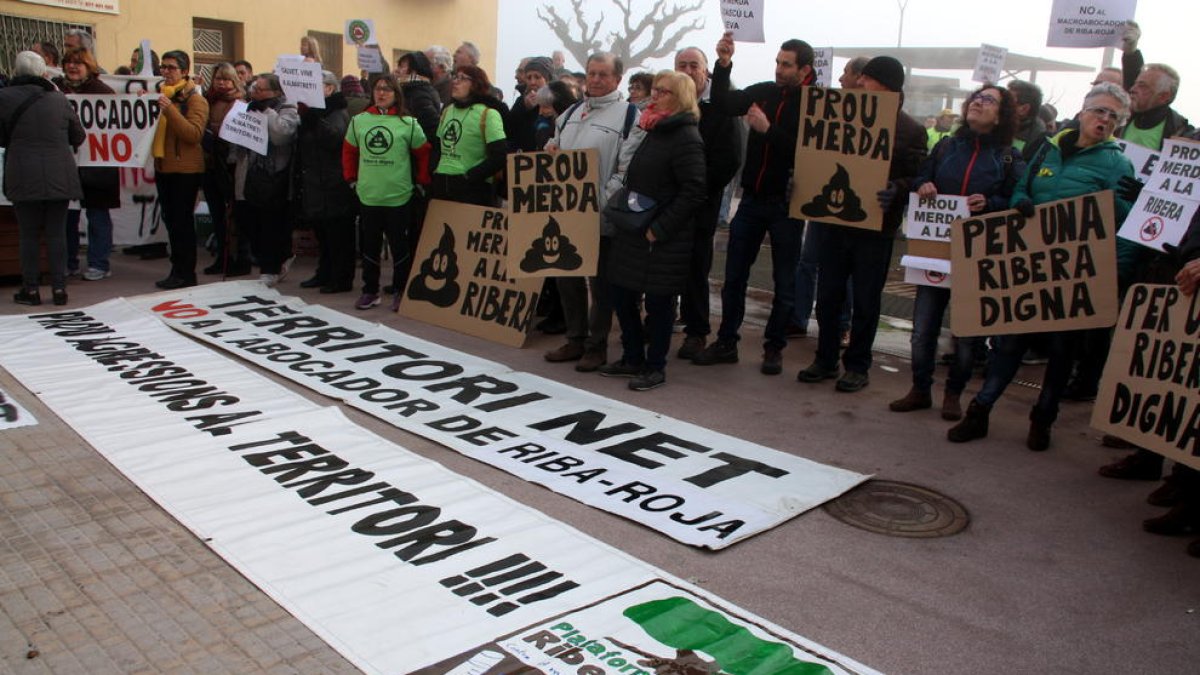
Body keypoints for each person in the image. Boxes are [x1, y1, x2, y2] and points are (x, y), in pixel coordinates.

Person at [947, 83, 1137, 450]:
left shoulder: (1117, 164)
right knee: (1009, 345)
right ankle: (980, 410)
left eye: (1114, 115)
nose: (1104, 119)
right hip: (1031, 272)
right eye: (1099, 110)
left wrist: (1114, 273)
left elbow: (1123, 223)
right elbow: (1024, 188)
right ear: (1082, 112)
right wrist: (1021, 203)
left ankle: (1042, 420)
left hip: (1075, 275)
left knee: (1061, 352)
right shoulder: (1048, 149)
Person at [889, 84, 1024, 419]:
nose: (978, 103)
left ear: (1001, 114)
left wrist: (990, 204)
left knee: (965, 336)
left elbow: (1017, 201)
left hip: (976, 257)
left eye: (988, 100)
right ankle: (920, 388)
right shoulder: (948, 146)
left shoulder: (1009, 157)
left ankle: (953, 394)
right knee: (923, 331)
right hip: (934, 252)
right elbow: (923, 175)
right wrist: (923, 184)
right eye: (976, 98)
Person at [797, 55, 928, 393]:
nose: (859, 84)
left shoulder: (912, 129)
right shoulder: (841, 113)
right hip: (836, 223)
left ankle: (857, 365)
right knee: (828, 296)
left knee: (867, 300)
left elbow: (916, 175)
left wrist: (896, 189)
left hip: (876, 227)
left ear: (884, 84)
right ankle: (825, 358)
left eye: (867, 79)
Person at [691, 32, 813, 375]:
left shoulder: (813, 107)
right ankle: (726, 341)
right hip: (752, 202)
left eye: (786, 65)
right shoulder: (762, 92)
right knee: (733, 277)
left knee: (784, 282)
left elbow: (807, 153)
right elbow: (724, 102)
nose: (778, 69)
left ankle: (774, 348)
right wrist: (724, 64)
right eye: (776, 62)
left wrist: (767, 129)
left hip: (787, 205)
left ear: (803, 70)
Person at [601, 70, 706, 391]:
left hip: (661, 237)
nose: (654, 95)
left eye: (663, 92)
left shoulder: (686, 137)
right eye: (655, 90)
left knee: (659, 305)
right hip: (636, 227)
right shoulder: (653, 128)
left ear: (681, 99)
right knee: (620, 292)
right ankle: (633, 356)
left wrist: (659, 228)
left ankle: (655, 365)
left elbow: (694, 190)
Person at [542, 52, 645, 372]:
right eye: (592, 74)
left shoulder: (631, 116)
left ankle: (596, 346)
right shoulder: (570, 112)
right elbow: (556, 149)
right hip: (566, 214)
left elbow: (627, 171)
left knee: (600, 285)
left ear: (617, 79)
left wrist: (597, 201)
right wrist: (550, 151)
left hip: (601, 216)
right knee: (566, 277)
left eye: (603, 74)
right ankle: (575, 338)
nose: (596, 80)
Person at [673, 46, 742, 359]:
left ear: (705, 71)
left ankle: (696, 331)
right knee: (662, 263)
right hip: (668, 201)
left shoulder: (720, 107)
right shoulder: (666, 105)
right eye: (681, 65)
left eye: (693, 65)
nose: (687, 71)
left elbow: (729, 159)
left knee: (695, 267)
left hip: (701, 201)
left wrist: (696, 191)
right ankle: (659, 319)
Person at [1, 51, 85, 306]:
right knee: (56, 233)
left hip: (23, 173)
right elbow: (78, 136)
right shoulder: (59, 99)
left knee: (27, 234)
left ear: (17, 71)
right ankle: (59, 289)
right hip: (59, 174)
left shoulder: (3, 97)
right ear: (42, 72)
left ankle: (31, 289)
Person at [344, 74, 431, 310]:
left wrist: (422, 180)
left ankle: (400, 290)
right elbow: (349, 152)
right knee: (369, 247)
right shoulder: (359, 121)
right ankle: (370, 291)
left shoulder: (408, 123)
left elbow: (423, 153)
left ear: (396, 95)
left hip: (399, 196)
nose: (381, 93)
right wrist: (351, 178)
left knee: (399, 248)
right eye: (378, 89)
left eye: (388, 90)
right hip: (369, 194)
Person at [54, 47, 118, 282]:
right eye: (68, 62)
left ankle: (99, 263)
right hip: (66, 163)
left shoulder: (104, 92)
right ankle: (68, 262)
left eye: (78, 63)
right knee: (66, 217)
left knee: (97, 214)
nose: (72, 67)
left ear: (89, 67)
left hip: (98, 165)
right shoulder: (56, 90)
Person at [233, 73, 298, 287]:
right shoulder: (248, 105)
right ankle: (273, 258)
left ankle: (270, 268)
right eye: (254, 88)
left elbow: (282, 134)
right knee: (247, 220)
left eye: (261, 90)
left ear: (275, 92)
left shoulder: (286, 107)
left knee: (270, 224)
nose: (256, 93)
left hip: (274, 177)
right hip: (249, 173)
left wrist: (266, 112)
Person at [297, 70, 358, 294]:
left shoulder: (338, 111)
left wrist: (313, 119)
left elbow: (334, 139)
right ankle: (324, 272)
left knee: (338, 235)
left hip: (334, 182)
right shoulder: (315, 112)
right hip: (315, 181)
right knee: (322, 234)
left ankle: (341, 278)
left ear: (329, 88)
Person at [152, 50, 209, 290]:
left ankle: (186, 273)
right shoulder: (162, 94)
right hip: (164, 167)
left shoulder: (195, 100)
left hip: (185, 171)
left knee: (181, 223)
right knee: (171, 222)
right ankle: (177, 268)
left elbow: (193, 134)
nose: (165, 72)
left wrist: (170, 110)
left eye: (171, 67)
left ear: (184, 72)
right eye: (163, 67)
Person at [430, 65, 507, 207]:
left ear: (476, 84)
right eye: (455, 77)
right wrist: (435, 170)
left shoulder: (488, 114)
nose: (455, 82)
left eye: (462, 78)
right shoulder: (447, 110)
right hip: (442, 186)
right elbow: (437, 146)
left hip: (472, 191)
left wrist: (469, 177)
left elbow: (499, 156)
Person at [200, 62, 250, 277]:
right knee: (217, 214)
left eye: (226, 79)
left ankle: (240, 258)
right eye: (218, 79)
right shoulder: (208, 100)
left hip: (230, 164)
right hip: (211, 162)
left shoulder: (240, 103)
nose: (221, 83)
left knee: (236, 216)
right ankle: (223, 256)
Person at [505, 56, 554, 152]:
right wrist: (524, 108)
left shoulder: (556, 100)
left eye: (537, 77)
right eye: (529, 77)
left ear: (547, 79)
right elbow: (509, 130)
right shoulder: (520, 101)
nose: (532, 82)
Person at [396, 51, 442, 140]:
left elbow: (433, 127)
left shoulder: (419, 94)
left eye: (402, 66)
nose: (398, 70)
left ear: (414, 71)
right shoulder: (414, 90)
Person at [1007, 80, 1046, 159]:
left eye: (1007, 101)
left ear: (1024, 109)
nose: (1000, 103)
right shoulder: (994, 122)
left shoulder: (1036, 140)